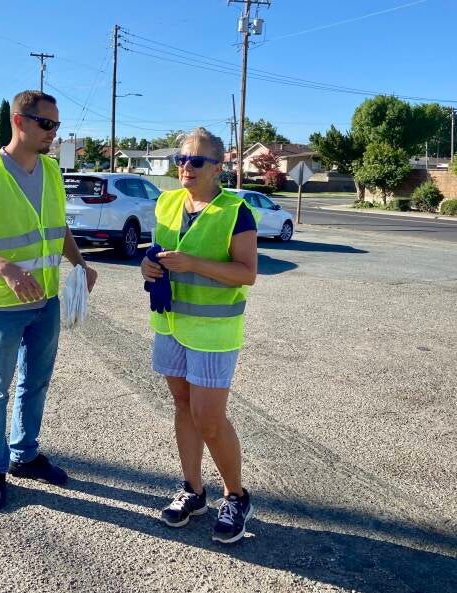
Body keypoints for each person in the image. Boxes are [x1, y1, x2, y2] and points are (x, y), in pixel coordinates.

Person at [0, 90, 97, 511]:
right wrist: (5, 268)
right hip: (1, 304)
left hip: (46, 300)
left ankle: (25, 455)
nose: (54, 133)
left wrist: (80, 263)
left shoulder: (51, 171)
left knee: (36, 382)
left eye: (56, 125)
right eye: (46, 124)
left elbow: (58, 228)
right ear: (19, 121)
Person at [141, 127, 260, 544]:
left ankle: (237, 496)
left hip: (213, 332)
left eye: (196, 161)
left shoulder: (235, 210)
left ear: (218, 167)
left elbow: (247, 273)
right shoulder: (167, 201)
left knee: (209, 419)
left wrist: (192, 263)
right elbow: (158, 252)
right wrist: (148, 266)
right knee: (182, 406)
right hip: (171, 323)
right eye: (181, 159)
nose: (185, 167)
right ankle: (193, 490)